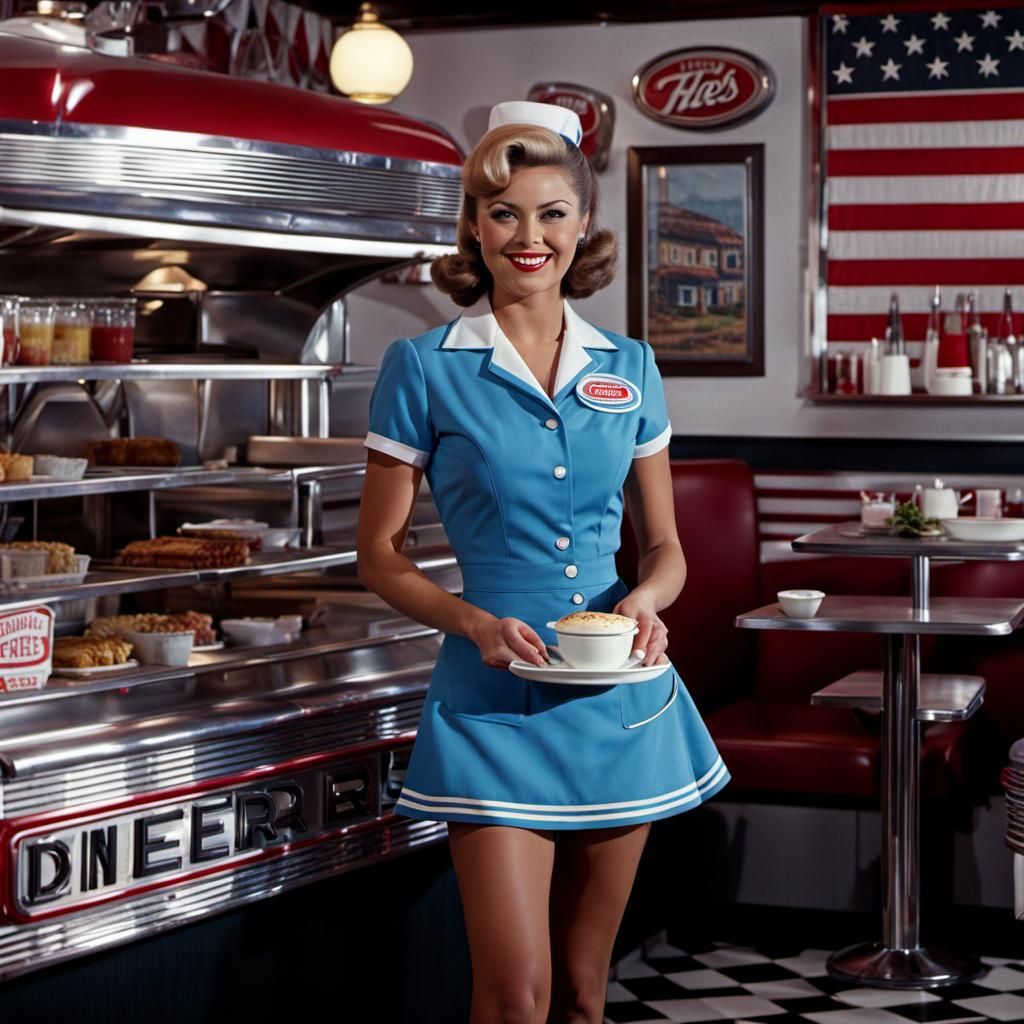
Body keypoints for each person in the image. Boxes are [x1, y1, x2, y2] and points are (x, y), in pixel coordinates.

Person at [357, 100, 729, 1024]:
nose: (530, 237)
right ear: (474, 228)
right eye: (506, 213)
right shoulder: (424, 366)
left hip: (620, 699)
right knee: (515, 996)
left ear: (583, 225)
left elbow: (669, 548)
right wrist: (472, 622)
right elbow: (379, 554)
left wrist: (646, 599)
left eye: (552, 212)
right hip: (493, 699)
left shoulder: (632, 366)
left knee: (583, 992)